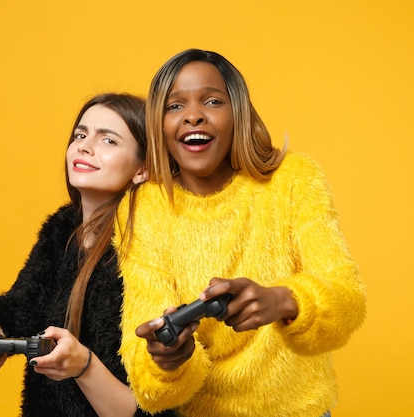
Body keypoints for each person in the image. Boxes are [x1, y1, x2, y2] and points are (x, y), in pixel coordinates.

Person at [114, 49, 367, 417]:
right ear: (158, 124)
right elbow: (148, 380)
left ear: (238, 113)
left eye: (213, 101)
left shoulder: (294, 180)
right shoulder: (143, 207)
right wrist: (168, 359)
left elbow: (347, 301)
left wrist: (284, 301)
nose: (193, 115)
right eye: (174, 106)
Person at [0, 93, 175, 417]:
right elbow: (22, 303)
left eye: (108, 140)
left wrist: (84, 366)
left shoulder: (153, 246)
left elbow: (152, 406)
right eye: (81, 135)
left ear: (142, 168)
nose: (85, 146)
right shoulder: (61, 229)